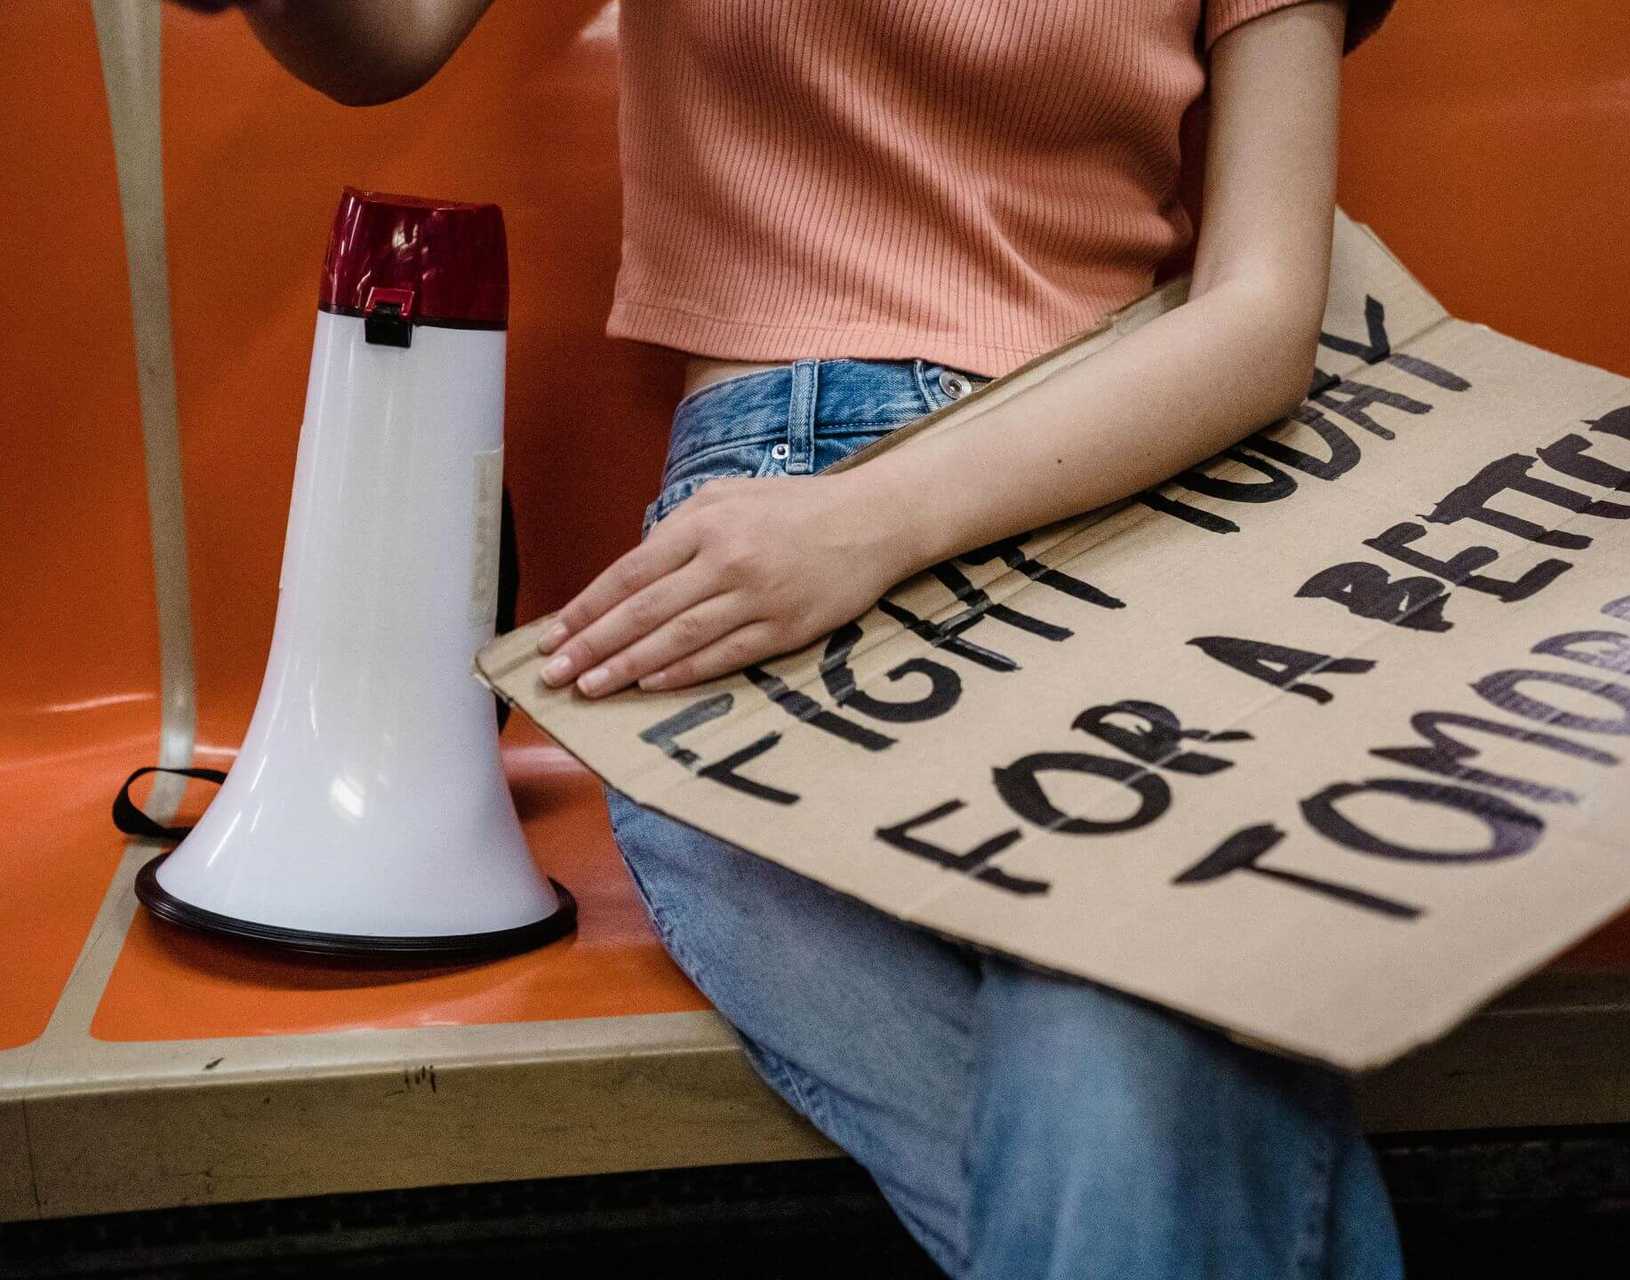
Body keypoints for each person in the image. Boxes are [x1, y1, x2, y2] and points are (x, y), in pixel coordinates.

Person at [181, 2, 1403, 1274]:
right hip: (748, 565)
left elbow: (1265, 315)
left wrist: (872, 521)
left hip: (1105, 515)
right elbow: (381, 40)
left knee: (1115, 1022)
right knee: (1130, 1036)